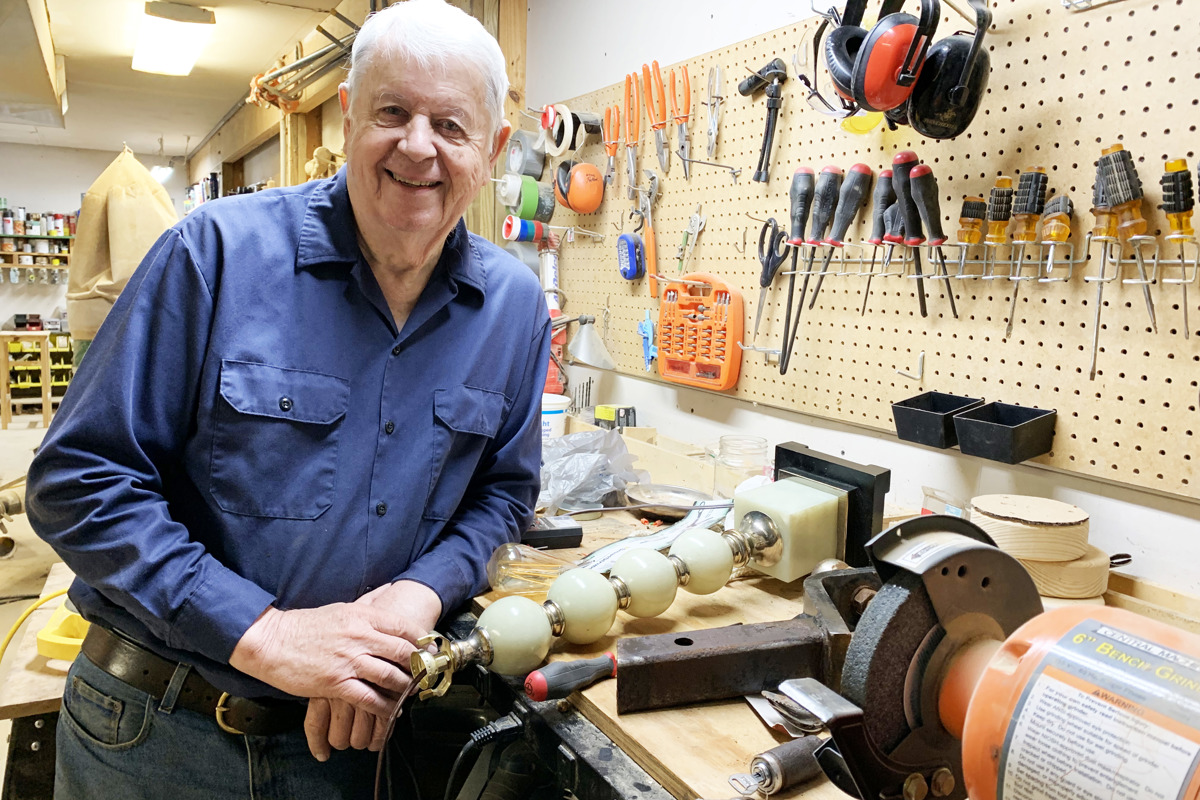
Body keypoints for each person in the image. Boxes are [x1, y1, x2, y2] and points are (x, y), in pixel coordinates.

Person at [25, 1, 549, 797]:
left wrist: (418, 596)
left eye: (451, 125)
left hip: (352, 750)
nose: (418, 146)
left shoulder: (513, 308)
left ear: (493, 148)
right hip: (161, 738)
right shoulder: (213, 256)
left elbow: (504, 493)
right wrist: (265, 635)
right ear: (346, 115)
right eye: (392, 112)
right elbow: (76, 483)